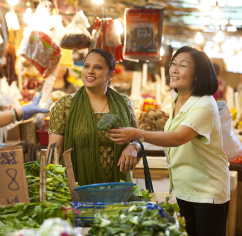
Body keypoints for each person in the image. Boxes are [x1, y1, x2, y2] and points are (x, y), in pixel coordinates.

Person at [108, 46, 230, 236]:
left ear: (198, 74)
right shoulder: (176, 98)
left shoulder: (205, 104)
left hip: (207, 192)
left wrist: (138, 134)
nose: (174, 69)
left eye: (182, 65)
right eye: (173, 63)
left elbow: (179, 137)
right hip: (183, 188)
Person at [47, 48, 140, 186]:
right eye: (86, 66)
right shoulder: (65, 105)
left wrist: (133, 146)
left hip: (116, 190)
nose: (90, 71)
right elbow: (54, 155)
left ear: (111, 75)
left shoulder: (124, 104)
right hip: (76, 189)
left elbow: (137, 138)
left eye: (98, 67)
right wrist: (52, 188)